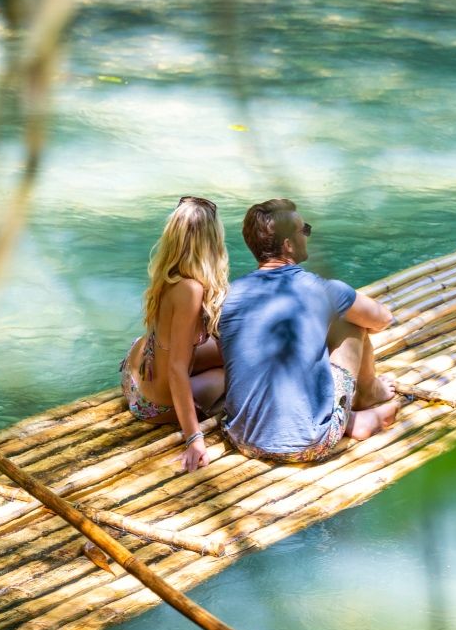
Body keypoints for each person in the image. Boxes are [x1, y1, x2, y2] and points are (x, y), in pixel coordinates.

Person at [215, 198, 397, 464]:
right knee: (352, 323)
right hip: (310, 444)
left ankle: (347, 416)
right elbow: (382, 318)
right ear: (288, 245)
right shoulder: (322, 289)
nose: (307, 235)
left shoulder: (229, 295)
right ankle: (368, 395)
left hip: (242, 439)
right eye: (305, 230)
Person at [120, 196, 230, 473]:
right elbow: (176, 369)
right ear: (211, 241)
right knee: (233, 375)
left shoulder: (170, 274)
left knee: (232, 349)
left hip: (133, 375)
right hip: (151, 405)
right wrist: (194, 438)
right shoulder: (191, 290)